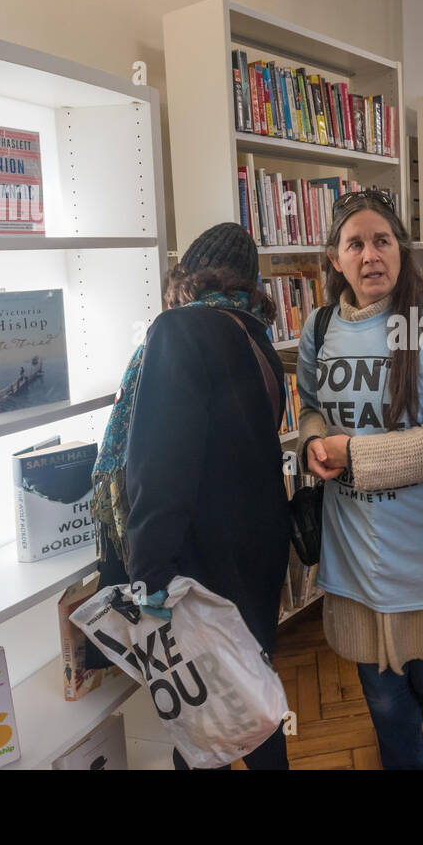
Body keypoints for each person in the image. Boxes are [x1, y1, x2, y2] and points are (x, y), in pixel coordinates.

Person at [297, 190, 423, 769]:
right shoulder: (319, 326)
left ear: (401, 252)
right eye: (354, 244)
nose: (369, 255)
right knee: (383, 695)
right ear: (335, 259)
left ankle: (420, 710)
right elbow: (311, 406)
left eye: (381, 240)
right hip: (356, 547)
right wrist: (311, 440)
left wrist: (351, 454)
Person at [122, 222, 292, 770]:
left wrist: (148, 569)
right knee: (249, 690)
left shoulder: (179, 330)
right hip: (259, 549)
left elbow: (160, 460)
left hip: (198, 557)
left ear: (186, 278)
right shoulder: (253, 332)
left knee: (195, 708)